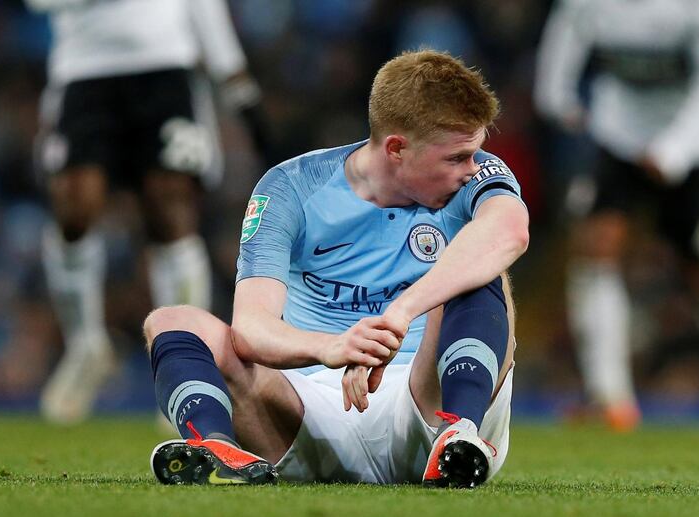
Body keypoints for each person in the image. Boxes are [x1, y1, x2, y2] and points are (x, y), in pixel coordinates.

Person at [143, 49, 529, 488]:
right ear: (397, 148)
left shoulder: (480, 174)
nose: (471, 167)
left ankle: (458, 436)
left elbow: (510, 231)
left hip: (424, 401)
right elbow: (250, 328)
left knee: (483, 271)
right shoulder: (291, 186)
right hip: (305, 414)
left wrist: (401, 312)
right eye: (456, 157)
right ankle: (215, 450)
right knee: (171, 321)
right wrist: (333, 347)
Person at [26, 0, 270, 423]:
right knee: (74, 208)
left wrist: (233, 76)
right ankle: (86, 347)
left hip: (164, 64)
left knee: (170, 210)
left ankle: (185, 359)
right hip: (83, 71)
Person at [535, 0, 699, 432]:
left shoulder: (698, 6)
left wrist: (675, 148)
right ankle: (611, 399)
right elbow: (562, 49)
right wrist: (559, 99)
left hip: (693, 146)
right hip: (617, 134)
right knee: (595, 249)